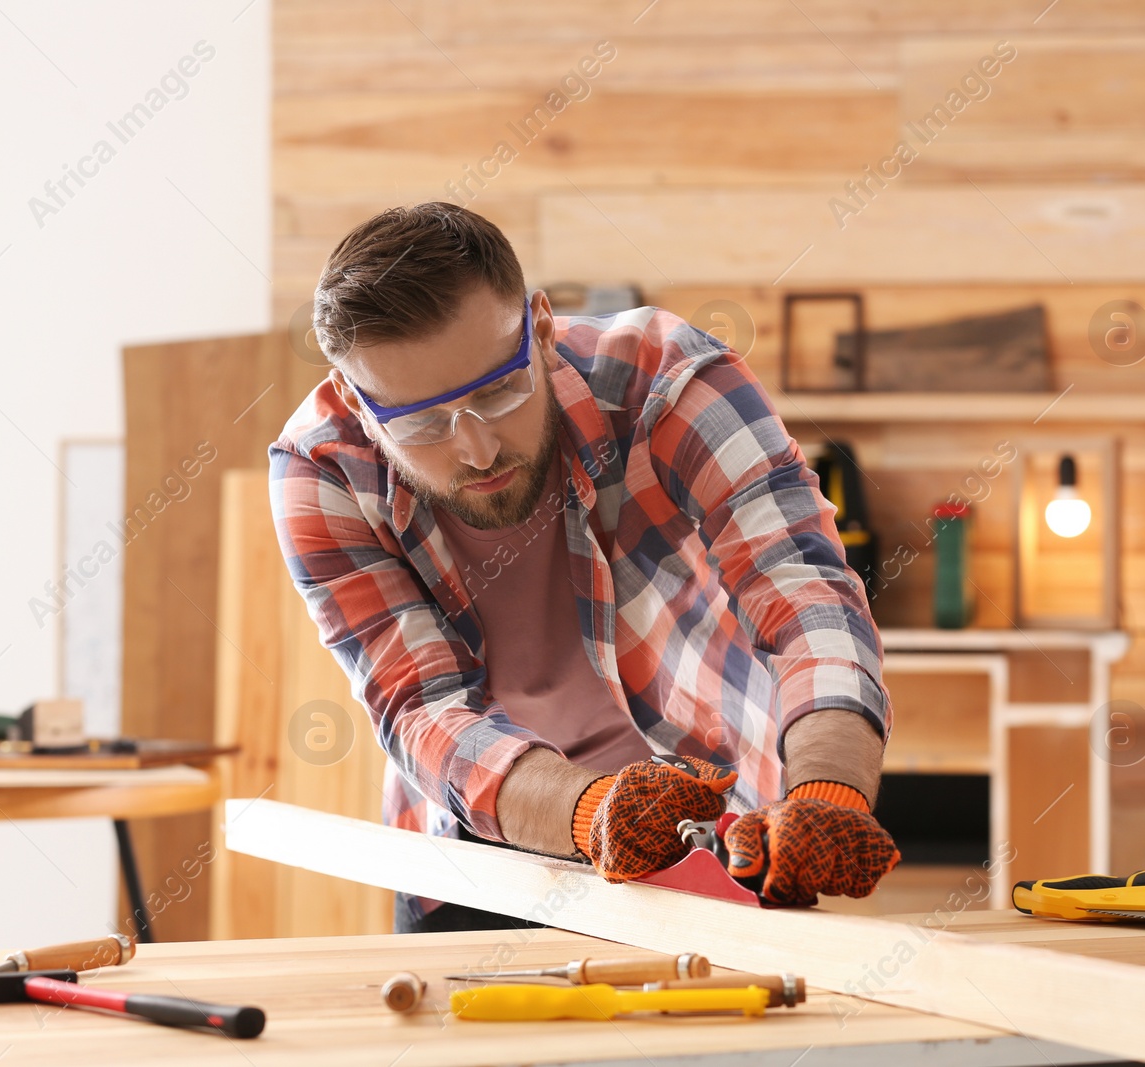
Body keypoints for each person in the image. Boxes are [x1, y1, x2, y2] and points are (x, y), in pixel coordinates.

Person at [269, 201, 899, 933]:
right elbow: (419, 706)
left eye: (499, 390)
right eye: (420, 423)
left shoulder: (668, 379)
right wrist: (593, 810)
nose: (476, 449)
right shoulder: (322, 472)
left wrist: (828, 790)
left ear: (539, 326)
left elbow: (802, 594)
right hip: (487, 843)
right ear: (355, 399)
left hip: (718, 825)